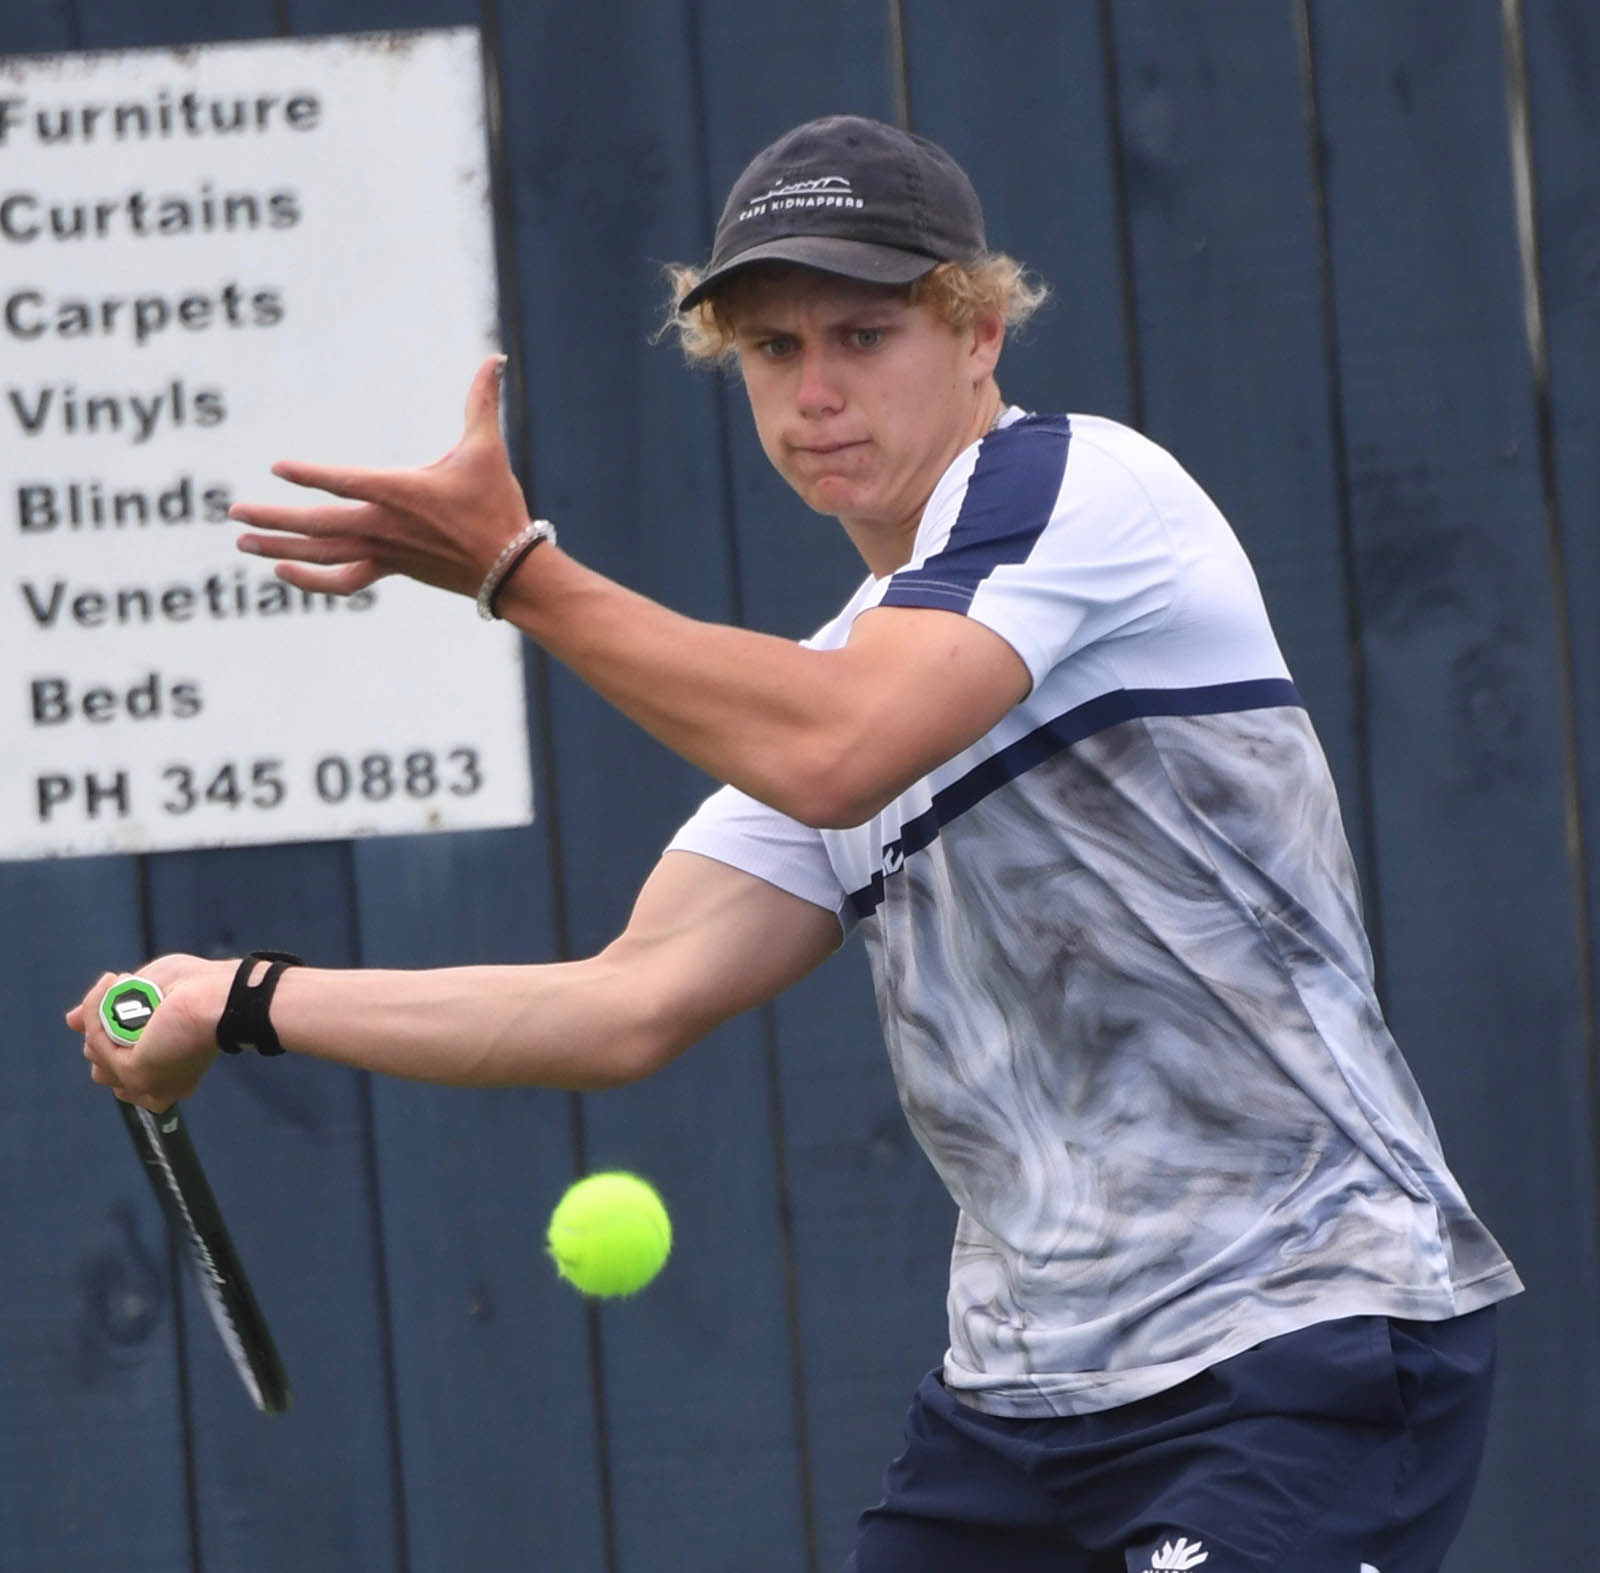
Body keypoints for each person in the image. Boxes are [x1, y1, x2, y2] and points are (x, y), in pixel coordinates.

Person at [71, 115, 1521, 1572]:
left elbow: (837, 748)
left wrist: (517, 571)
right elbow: (624, 1002)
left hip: (1298, 1341)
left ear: (980, 331)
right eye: (773, 349)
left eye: (862, 335)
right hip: (1020, 1410)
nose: (816, 391)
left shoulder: (1082, 494)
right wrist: (241, 998)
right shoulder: (831, 684)